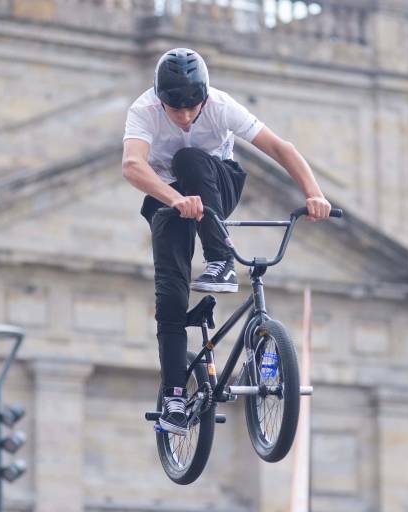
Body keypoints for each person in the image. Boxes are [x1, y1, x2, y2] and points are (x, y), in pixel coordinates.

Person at [122, 48, 332, 435]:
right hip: (167, 198)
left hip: (217, 186)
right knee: (170, 295)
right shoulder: (144, 109)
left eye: (192, 108)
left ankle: (221, 259)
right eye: (175, 109)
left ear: (204, 97)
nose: (185, 117)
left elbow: (280, 148)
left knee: (189, 157)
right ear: (160, 99)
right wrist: (175, 199)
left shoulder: (221, 105)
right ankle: (173, 396)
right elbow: (133, 165)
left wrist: (314, 193)